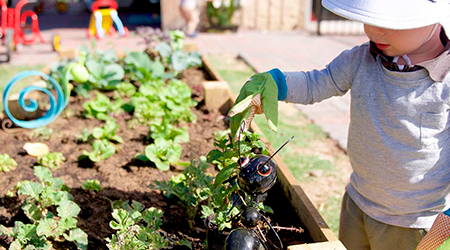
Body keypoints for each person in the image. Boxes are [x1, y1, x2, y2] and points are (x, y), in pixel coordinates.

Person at [228, 0, 450, 249]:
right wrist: (276, 83)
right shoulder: (361, 59)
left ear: (431, 18)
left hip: (410, 221)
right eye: (370, 19)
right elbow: (317, 83)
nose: (375, 32)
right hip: (358, 201)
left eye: (388, 23)